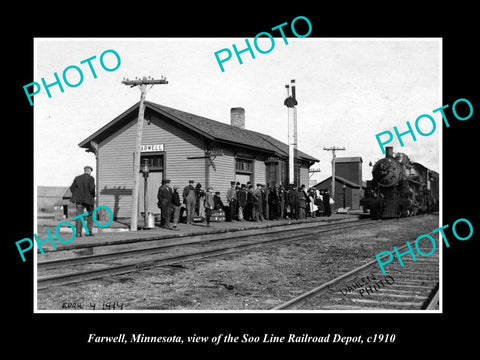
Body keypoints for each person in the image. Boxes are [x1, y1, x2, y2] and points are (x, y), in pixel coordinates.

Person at [69, 165, 96, 236]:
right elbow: (92, 189)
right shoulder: (91, 178)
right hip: (89, 200)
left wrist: (77, 195)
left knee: (79, 215)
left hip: (79, 200)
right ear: (89, 171)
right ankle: (89, 231)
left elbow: (71, 188)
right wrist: (92, 196)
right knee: (91, 214)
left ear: (85, 170)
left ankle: (78, 233)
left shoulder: (77, 178)